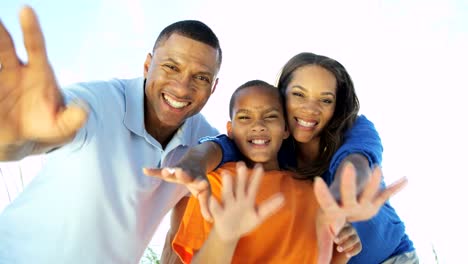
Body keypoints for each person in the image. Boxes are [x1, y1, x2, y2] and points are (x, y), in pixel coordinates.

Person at [0, 6, 222, 263]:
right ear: (148, 65)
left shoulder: (202, 135)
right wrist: (14, 137)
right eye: (171, 67)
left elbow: (229, 147)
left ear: (214, 86)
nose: (182, 87)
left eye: (201, 78)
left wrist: (207, 155)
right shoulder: (95, 103)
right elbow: (25, 142)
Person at [152, 53, 418, 263]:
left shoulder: (355, 128)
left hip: (390, 257)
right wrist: (193, 163)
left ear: (336, 106)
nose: (310, 108)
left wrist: (343, 196)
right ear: (281, 98)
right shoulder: (274, 144)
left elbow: (356, 162)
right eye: (299, 94)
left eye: (325, 100)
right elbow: (226, 144)